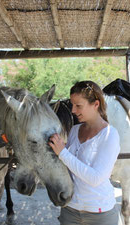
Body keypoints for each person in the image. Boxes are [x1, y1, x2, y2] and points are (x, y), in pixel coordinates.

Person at [49, 80, 120, 225]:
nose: (73, 110)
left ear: (95, 104)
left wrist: (62, 153)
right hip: (70, 210)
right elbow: (68, 167)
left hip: (100, 213)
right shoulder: (75, 131)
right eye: (72, 105)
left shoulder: (110, 135)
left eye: (78, 106)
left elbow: (96, 178)